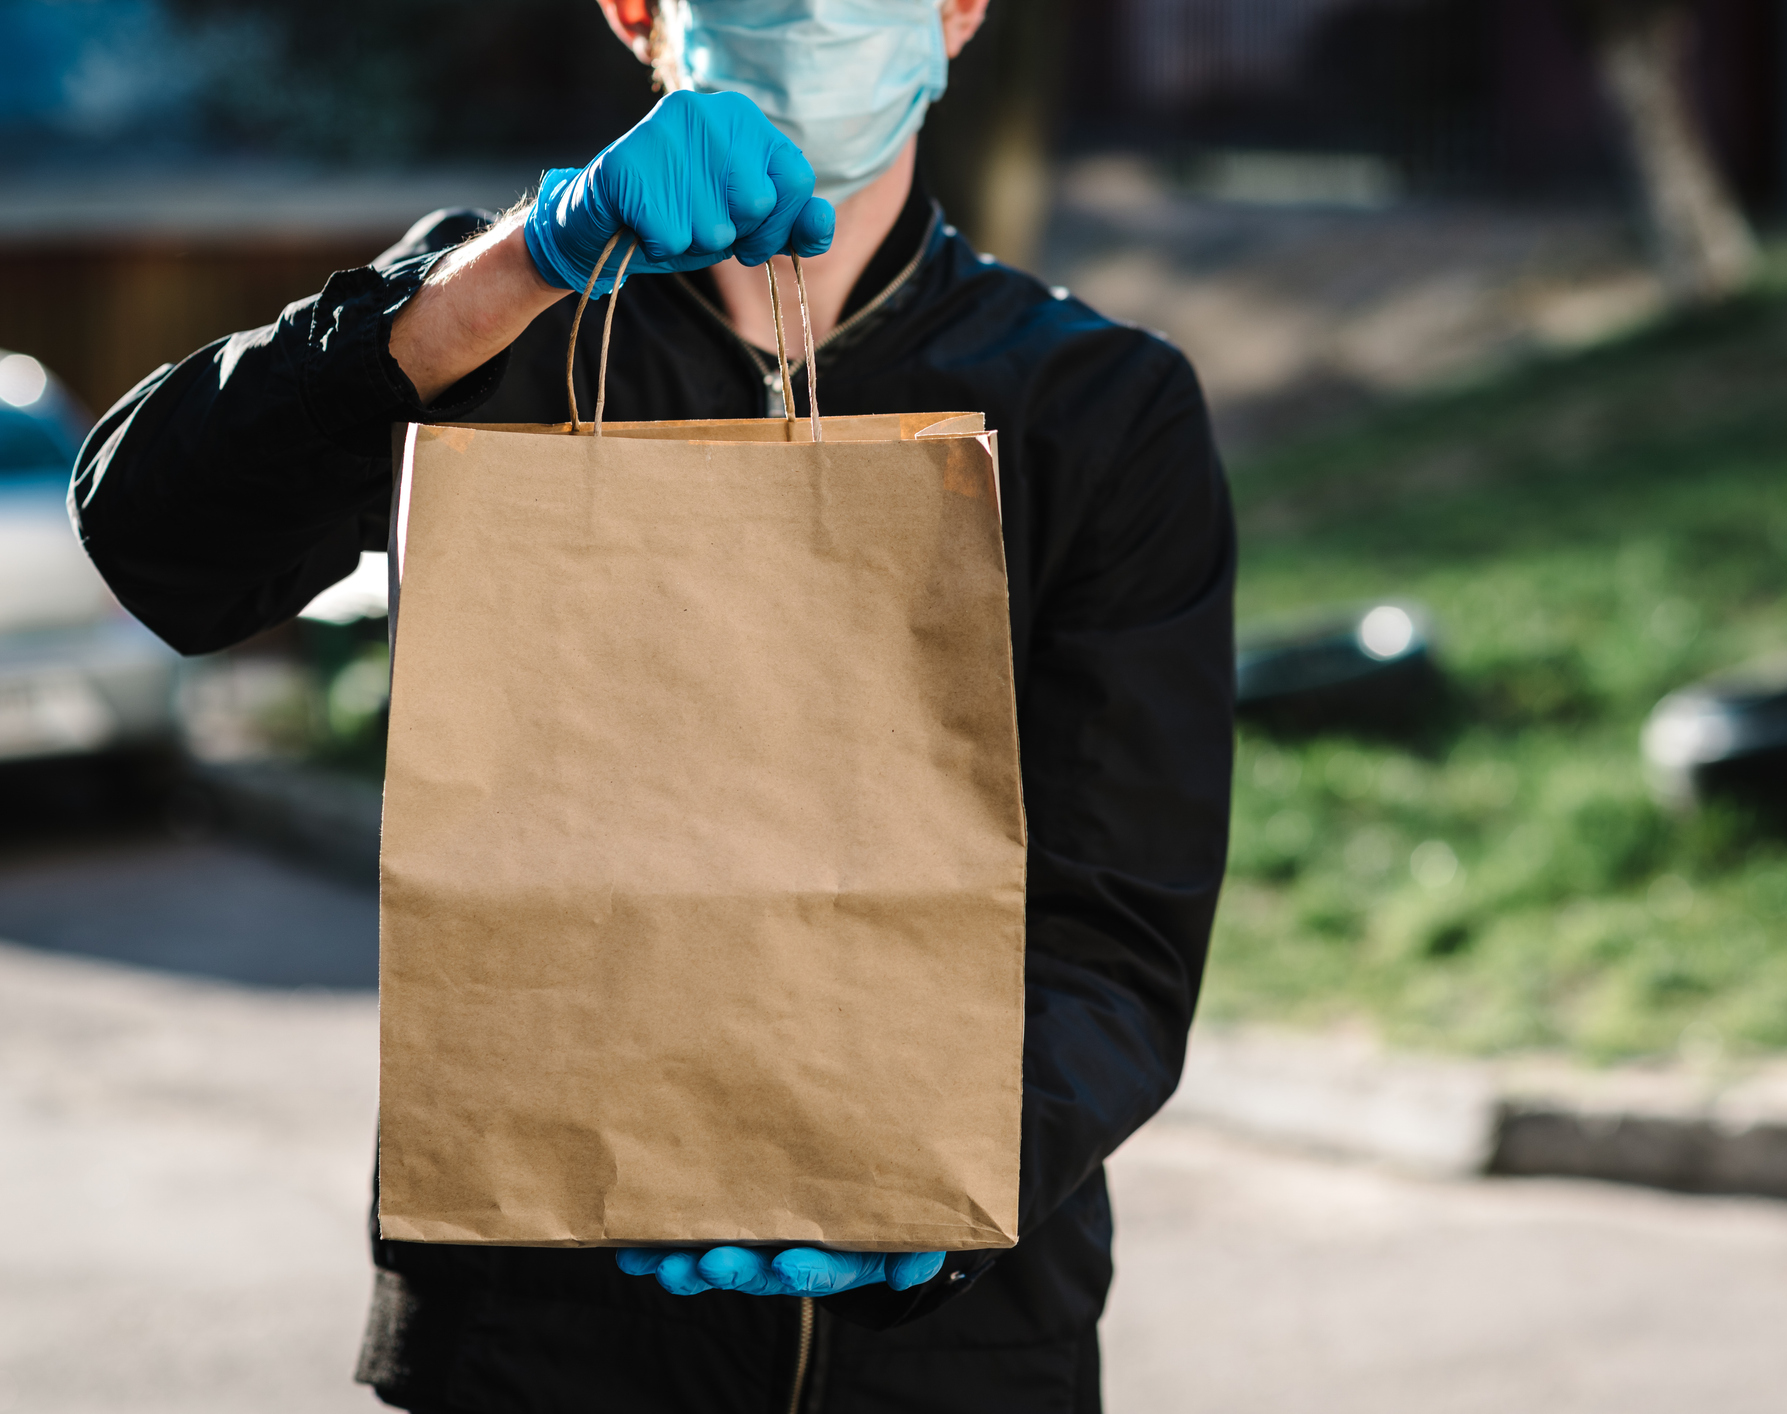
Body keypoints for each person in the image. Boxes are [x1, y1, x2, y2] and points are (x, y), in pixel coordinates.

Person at [70, 1, 1233, 1409]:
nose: (812, 17)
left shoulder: (1096, 409)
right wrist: (529, 259)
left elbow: (1119, 922)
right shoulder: (497, 333)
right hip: (539, 1335)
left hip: (957, 1361)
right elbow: (156, 538)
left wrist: (945, 1192)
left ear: (958, 14)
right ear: (640, 14)